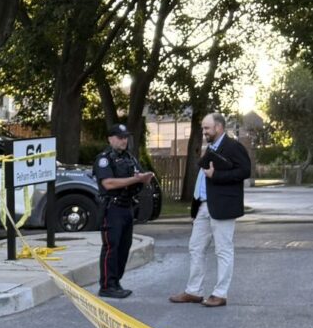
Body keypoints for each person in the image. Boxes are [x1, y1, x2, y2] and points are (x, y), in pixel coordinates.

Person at [169, 113, 251, 307]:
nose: (204, 132)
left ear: (219, 127)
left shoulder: (233, 147)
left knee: (223, 250)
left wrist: (217, 175)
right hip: (204, 207)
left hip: (223, 207)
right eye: (203, 128)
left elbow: (244, 171)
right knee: (195, 247)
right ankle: (194, 291)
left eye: (207, 128)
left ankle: (220, 294)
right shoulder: (211, 149)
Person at [92, 123, 152, 299]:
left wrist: (145, 179)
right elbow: (108, 183)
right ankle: (106, 285)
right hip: (112, 207)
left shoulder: (129, 158)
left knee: (124, 247)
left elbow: (140, 177)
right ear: (110, 139)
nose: (124, 140)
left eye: (125, 137)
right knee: (112, 246)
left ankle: (116, 281)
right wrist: (134, 180)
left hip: (127, 207)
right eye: (120, 137)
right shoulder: (104, 159)